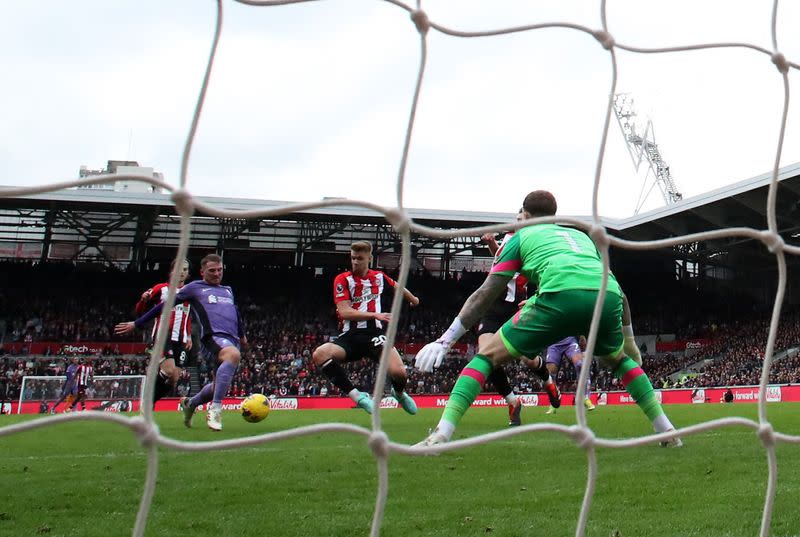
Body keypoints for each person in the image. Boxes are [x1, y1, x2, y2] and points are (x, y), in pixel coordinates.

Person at [415, 190, 681, 447]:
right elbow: (618, 290)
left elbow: (485, 293)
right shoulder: (581, 236)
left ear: (527, 216)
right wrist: (630, 341)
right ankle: (666, 429)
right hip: (607, 296)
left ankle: (441, 434)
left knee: (486, 358)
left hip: (559, 297)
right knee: (618, 360)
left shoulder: (519, 238)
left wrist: (445, 340)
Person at [116, 254, 246, 431]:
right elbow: (163, 305)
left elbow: (234, 312)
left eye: (220, 270)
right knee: (232, 356)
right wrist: (137, 322)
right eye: (212, 271)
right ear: (202, 272)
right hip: (202, 337)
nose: (217, 274)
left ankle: (190, 404)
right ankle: (214, 409)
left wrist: (242, 334)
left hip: (210, 338)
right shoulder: (190, 288)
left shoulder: (227, 290)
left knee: (211, 384)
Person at [311, 240, 420, 415]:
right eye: (353, 258)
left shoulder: (379, 277)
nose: (355, 262)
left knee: (399, 373)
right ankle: (358, 397)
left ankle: (398, 393)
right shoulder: (342, 279)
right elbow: (345, 312)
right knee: (320, 354)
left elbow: (396, 286)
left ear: (369, 258)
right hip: (350, 336)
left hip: (374, 335)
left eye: (359, 258)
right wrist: (374, 315)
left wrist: (413, 299)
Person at [478, 210, 561, 427]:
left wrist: (534, 298)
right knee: (485, 356)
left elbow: (548, 273)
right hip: (494, 306)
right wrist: (491, 244)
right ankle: (513, 402)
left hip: (518, 306)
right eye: (517, 219)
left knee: (527, 358)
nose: (517, 222)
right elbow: (502, 262)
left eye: (521, 219)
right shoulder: (509, 237)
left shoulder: (537, 242)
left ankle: (548, 381)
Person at [116, 259, 193, 407]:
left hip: (181, 340)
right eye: (178, 269)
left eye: (185, 269)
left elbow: (188, 315)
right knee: (169, 370)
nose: (182, 272)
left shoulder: (190, 292)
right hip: (163, 336)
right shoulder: (161, 288)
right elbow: (139, 311)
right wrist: (143, 300)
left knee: (174, 378)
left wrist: (189, 335)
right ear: (171, 271)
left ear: (188, 273)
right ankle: (147, 402)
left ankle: (150, 402)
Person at [540, 335, 595, 415]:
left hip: (569, 340)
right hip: (553, 342)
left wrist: (582, 336)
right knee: (549, 372)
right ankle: (553, 403)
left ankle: (585, 398)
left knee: (580, 364)